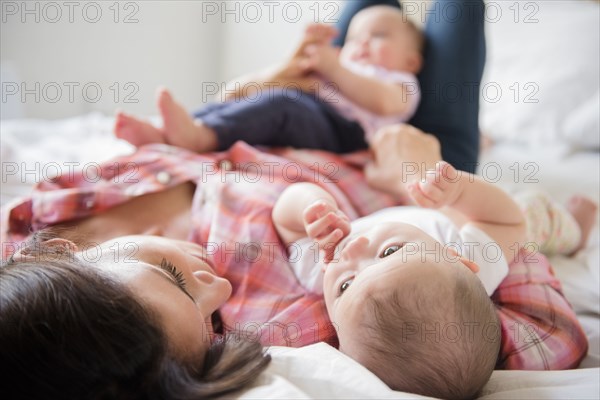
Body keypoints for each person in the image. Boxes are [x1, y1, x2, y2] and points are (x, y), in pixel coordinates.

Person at [272, 159, 597, 399]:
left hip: (395, 203)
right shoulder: (466, 268)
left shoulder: (320, 269)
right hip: (459, 218)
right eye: (389, 252)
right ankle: (577, 228)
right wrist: (459, 192)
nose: (353, 250)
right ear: (460, 260)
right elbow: (505, 220)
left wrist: (312, 208)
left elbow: (285, 217)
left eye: (345, 285)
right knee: (532, 213)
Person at [114, 5, 423, 155]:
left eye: (379, 36)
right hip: (311, 107)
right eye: (355, 38)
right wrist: (307, 62)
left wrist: (334, 68)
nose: (362, 44)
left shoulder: (401, 81)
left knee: (281, 105)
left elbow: (383, 102)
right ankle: (170, 130)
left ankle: (200, 137)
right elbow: (246, 89)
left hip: (345, 134)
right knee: (257, 100)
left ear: (412, 60)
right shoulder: (341, 66)